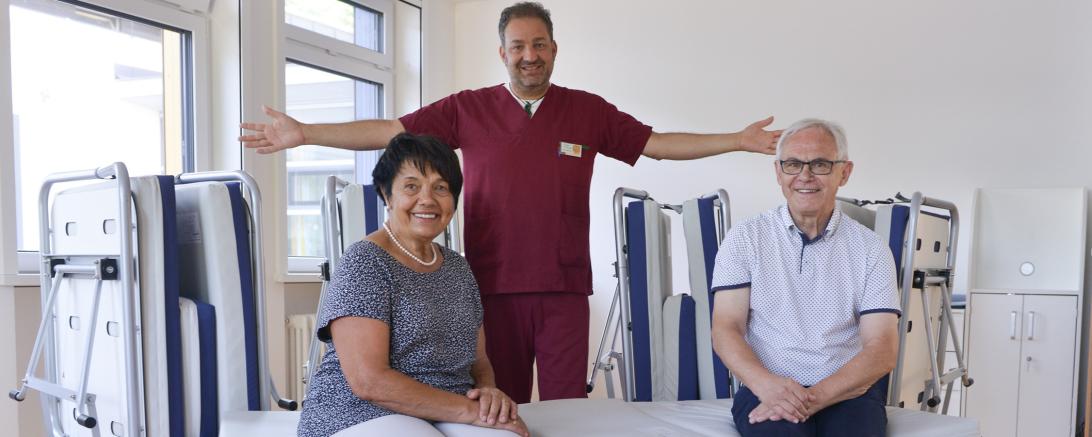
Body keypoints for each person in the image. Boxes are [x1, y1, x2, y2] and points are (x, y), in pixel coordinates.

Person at [242, 2, 781, 404]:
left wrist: (735, 139)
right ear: (503, 53)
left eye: (539, 44)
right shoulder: (468, 109)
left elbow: (658, 145)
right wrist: (306, 132)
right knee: (503, 403)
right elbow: (389, 130)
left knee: (569, 409)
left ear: (553, 49)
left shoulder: (586, 111)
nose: (529, 55)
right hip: (492, 285)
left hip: (564, 287)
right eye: (519, 46)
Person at [297, 133, 528, 437]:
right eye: (411, 186)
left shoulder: (458, 267)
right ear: (386, 194)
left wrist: (488, 396)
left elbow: (479, 360)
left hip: (446, 406)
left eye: (441, 188)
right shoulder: (364, 262)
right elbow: (369, 381)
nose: (427, 199)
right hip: (360, 411)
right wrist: (470, 412)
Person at [709, 119, 901, 437]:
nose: (805, 176)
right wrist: (768, 388)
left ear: (845, 172)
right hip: (767, 388)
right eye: (793, 164)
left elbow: (882, 347)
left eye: (821, 164)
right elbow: (725, 328)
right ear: (778, 172)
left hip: (848, 394)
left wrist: (811, 400)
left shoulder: (871, 248)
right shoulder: (745, 237)